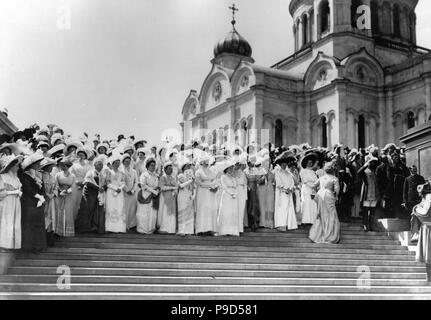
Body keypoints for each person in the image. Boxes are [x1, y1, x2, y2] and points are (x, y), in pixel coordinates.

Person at [19, 153, 47, 253]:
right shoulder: (25, 176)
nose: (39, 165)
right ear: (32, 164)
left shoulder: (39, 174)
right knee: (30, 224)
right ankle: (29, 247)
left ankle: (39, 247)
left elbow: (42, 188)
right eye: (37, 163)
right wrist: (38, 197)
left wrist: (42, 197)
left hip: (39, 202)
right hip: (29, 202)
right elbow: (28, 189)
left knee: (38, 224)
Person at [309, 161, 341, 244]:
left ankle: (318, 235)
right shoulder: (334, 178)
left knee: (321, 215)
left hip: (320, 194)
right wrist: (336, 197)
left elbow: (313, 186)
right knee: (331, 215)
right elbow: (337, 190)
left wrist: (315, 193)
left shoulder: (322, 177)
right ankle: (329, 236)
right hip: (329, 195)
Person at [75, 157, 106, 234]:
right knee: (87, 210)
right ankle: (83, 228)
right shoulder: (90, 172)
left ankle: (93, 226)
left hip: (97, 194)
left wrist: (103, 188)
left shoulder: (102, 174)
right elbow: (87, 182)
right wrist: (98, 188)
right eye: (99, 164)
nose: (100, 166)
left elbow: (105, 183)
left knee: (95, 211)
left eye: (102, 165)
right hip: (89, 194)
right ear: (95, 165)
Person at [0, 154, 23, 250]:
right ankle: (3, 244)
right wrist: (14, 192)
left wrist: (19, 193)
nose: (18, 167)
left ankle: (12, 244)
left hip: (16, 202)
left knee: (14, 221)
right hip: (6, 202)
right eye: (16, 165)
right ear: (11, 166)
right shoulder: (2, 177)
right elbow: (1, 194)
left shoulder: (17, 179)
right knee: (6, 221)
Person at [411, 182, 431, 282]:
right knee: (427, 254)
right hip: (426, 227)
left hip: (429, 228)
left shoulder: (429, 197)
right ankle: (429, 277)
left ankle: (429, 277)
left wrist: (416, 209)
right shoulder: (426, 198)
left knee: (428, 253)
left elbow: (425, 212)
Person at [195, 153, 218, 236]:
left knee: (210, 208)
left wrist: (215, 186)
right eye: (205, 161)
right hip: (203, 192)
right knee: (203, 208)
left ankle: (210, 229)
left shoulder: (211, 170)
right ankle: (201, 229)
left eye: (207, 161)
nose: (206, 163)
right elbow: (199, 183)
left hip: (211, 192)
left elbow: (214, 180)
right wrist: (209, 186)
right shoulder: (198, 171)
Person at [274, 153, 298, 232]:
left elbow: (292, 182)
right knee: (282, 208)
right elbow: (279, 184)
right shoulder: (278, 173)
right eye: (283, 164)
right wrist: (285, 189)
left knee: (289, 208)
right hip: (282, 193)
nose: (284, 165)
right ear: (280, 165)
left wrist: (290, 188)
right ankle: (281, 225)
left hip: (289, 193)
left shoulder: (288, 173)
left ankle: (289, 224)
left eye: (285, 164)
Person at [136, 156, 160, 234]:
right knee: (144, 212)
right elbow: (143, 186)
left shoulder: (156, 176)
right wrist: (153, 191)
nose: (153, 167)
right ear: (147, 166)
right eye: (151, 165)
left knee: (152, 212)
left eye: (154, 165)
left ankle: (151, 228)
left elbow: (158, 185)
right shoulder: (144, 175)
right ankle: (142, 229)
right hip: (145, 196)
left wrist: (157, 190)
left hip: (153, 197)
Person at [358, 157, 381, 232]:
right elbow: (359, 172)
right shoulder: (365, 171)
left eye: (373, 162)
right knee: (365, 210)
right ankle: (365, 224)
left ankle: (371, 225)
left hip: (374, 194)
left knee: (372, 211)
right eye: (371, 162)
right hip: (367, 194)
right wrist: (365, 165)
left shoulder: (375, 171)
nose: (373, 164)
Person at [55, 156, 76, 237]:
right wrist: (60, 191)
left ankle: (68, 231)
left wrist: (68, 191)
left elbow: (74, 185)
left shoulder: (72, 176)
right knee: (60, 210)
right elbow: (56, 184)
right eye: (62, 165)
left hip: (69, 194)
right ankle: (59, 231)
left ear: (68, 166)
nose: (63, 167)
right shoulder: (58, 174)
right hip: (60, 194)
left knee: (68, 211)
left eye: (65, 165)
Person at [105, 154, 126, 233]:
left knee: (119, 207)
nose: (117, 164)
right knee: (111, 207)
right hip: (111, 191)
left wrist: (120, 188)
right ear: (112, 163)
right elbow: (107, 183)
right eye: (115, 163)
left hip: (119, 192)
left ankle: (119, 227)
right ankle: (110, 227)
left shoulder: (121, 172)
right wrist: (115, 188)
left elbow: (123, 182)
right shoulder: (109, 172)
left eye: (118, 163)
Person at [217, 161, 239, 236]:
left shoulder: (233, 177)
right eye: (230, 168)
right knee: (226, 212)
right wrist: (231, 193)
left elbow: (236, 186)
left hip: (234, 196)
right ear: (226, 169)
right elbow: (224, 186)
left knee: (233, 212)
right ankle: (225, 231)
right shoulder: (223, 177)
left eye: (232, 168)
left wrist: (235, 193)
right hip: (227, 195)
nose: (231, 169)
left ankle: (232, 231)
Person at [403, 165, 426, 239]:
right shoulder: (407, 179)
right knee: (411, 216)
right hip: (410, 200)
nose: (415, 171)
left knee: (419, 215)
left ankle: (418, 231)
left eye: (416, 169)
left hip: (419, 200)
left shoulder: (421, 178)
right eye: (413, 169)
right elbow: (404, 191)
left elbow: (424, 188)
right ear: (410, 170)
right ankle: (412, 231)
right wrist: (405, 201)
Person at [70, 148, 92, 221]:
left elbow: (90, 175)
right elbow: (71, 174)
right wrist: (76, 181)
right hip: (75, 184)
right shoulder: (74, 165)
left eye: (82, 155)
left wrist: (84, 182)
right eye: (79, 155)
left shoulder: (88, 165)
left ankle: (83, 222)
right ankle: (73, 220)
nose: (81, 156)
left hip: (85, 184)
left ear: (85, 156)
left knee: (84, 203)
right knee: (75, 202)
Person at [40, 158, 58, 246]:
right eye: (50, 166)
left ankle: (50, 238)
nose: (51, 168)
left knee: (52, 217)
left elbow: (56, 188)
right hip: (44, 200)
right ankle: (43, 239)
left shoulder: (53, 177)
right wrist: (45, 195)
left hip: (51, 200)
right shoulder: (41, 176)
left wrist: (53, 194)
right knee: (44, 217)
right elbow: (40, 188)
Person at [157, 162, 178, 234]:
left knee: (172, 213)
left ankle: (171, 229)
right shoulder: (163, 177)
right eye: (169, 169)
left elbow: (176, 186)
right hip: (164, 197)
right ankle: (164, 228)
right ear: (165, 170)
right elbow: (162, 187)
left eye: (171, 169)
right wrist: (172, 187)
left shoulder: (173, 177)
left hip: (172, 198)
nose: (170, 170)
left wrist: (175, 191)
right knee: (164, 212)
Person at [177, 160, 195, 236]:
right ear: (183, 167)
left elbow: (193, 187)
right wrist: (190, 181)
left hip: (189, 195)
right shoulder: (180, 176)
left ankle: (189, 230)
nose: (189, 167)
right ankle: (182, 230)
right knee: (182, 212)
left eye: (189, 166)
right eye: (187, 166)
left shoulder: (191, 176)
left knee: (189, 213)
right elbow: (180, 186)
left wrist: (193, 195)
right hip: (182, 195)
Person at [300, 153, 319, 226]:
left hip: (313, 190)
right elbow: (305, 181)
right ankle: (305, 220)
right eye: (309, 162)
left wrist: (316, 187)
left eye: (311, 162)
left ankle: (312, 220)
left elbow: (316, 180)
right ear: (306, 163)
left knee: (313, 204)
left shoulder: (313, 172)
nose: (310, 164)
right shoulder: (303, 171)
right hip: (307, 189)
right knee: (306, 203)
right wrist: (313, 186)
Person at [245, 155, 263, 231]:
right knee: (249, 205)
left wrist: (260, 177)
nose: (251, 164)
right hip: (247, 189)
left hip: (254, 189)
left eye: (252, 163)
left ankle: (255, 223)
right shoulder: (245, 170)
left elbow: (259, 180)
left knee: (254, 205)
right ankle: (249, 222)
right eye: (249, 163)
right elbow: (245, 179)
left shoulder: (256, 170)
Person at [122, 154, 138, 231]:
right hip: (125, 193)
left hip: (133, 192)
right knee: (125, 208)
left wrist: (133, 190)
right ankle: (125, 224)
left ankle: (132, 224)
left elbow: (136, 181)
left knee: (132, 208)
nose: (127, 162)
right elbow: (121, 182)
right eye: (126, 161)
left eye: (129, 161)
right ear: (123, 162)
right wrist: (127, 190)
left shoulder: (134, 171)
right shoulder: (121, 171)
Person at [234, 154, 248, 233]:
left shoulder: (242, 173)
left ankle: (240, 228)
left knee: (241, 210)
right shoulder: (232, 173)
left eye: (239, 164)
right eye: (236, 164)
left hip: (242, 193)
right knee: (235, 210)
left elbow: (245, 184)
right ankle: (235, 228)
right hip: (235, 192)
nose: (238, 166)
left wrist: (245, 196)